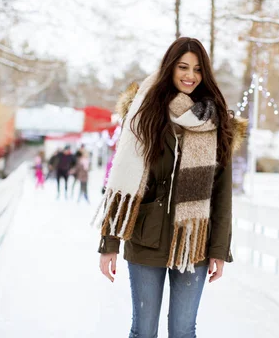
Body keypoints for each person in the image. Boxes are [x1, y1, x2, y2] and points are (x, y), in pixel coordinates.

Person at [95, 37, 247, 338]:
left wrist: (218, 250)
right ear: (170, 68)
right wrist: (109, 243)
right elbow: (122, 179)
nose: (190, 75)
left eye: (197, 69)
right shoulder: (144, 113)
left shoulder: (216, 122)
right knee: (144, 331)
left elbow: (222, 194)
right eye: (183, 67)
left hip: (194, 241)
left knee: (183, 331)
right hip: (145, 238)